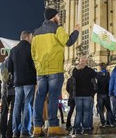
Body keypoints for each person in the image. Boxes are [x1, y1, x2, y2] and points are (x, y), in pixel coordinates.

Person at [31, 8, 80, 136]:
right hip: (55, 69)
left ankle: (37, 126)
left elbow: (33, 53)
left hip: (41, 71)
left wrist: (38, 65)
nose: (59, 17)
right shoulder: (57, 29)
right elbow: (68, 41)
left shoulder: (36, 33)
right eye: (57, 15)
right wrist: (76, 31)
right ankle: (53, 126)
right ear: (53, 17)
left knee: (39, 98)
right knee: (53, 98)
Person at [8, 31, 36, 138]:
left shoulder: (13, 50)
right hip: (29, 80)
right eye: (31, 37)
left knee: (17, 105)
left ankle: (15, 130)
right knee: (28, 104)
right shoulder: (31, 48)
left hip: (18, 82)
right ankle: (25, 129)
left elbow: (10, 68)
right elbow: (35, 64)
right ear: (27, 37)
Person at [72, 56, 97, 135]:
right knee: (86, 112)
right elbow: (96, 75)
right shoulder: (90, 71)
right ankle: (86, 128)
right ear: (86, 62)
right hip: (87, 94)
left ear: (79, 61)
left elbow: (73, 78)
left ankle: (77, 128)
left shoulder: (75, 70)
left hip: (78, 95)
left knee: (78, 112)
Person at [0, 58, 16, 138]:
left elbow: (4, 77)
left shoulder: (3, 64)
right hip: (14, 91)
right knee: (13, 112)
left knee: (4, 112)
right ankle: (9, 132)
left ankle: (2, 132)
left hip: (5, 91)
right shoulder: (16, 62)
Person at [96, 63, 115, 128]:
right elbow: (110, 83)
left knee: (101, 110)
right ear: (106, 67)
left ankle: (103, 123)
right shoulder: (107, 74)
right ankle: (111, 122)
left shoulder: (98, 74)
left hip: (100, 94)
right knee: (109, 109)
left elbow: (96, 84)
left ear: (100, 67)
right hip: (106, 93)